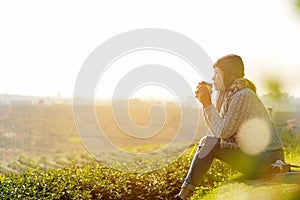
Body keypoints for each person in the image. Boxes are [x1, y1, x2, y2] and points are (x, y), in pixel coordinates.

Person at [176, 54, 286, 199]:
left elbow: (223, 133)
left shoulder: (243, 95)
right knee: (207, 142)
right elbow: (218, 132)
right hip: (259, 158)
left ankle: (182, 196)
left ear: (230, 75)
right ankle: (183, 195)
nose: (213, 78)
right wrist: (207, 103)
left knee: (208, 143)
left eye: (217, 74)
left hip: (268, 160)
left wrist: (208, 105)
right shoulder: (231, 96)